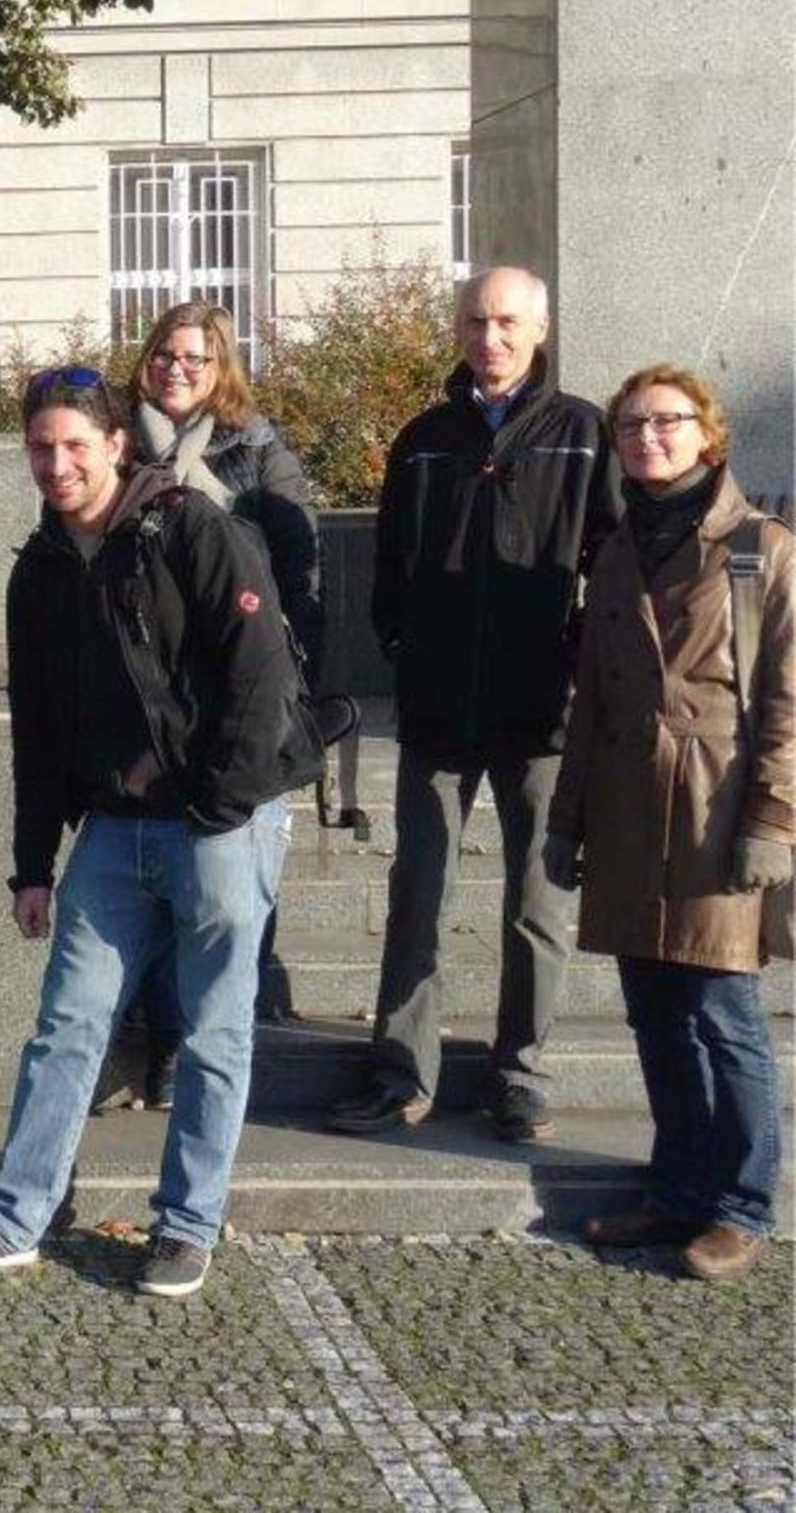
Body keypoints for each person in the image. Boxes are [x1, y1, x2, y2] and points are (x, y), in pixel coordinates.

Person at [0, 369, 306, 1300]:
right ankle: (15, 1217)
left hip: (220, 821)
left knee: (213, 1032)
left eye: (74, 445)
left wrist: (216, 804)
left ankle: (186, 1226)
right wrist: (30, 866)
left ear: (116, 446)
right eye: (40, 447)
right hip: (112, 831)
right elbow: (37, 730)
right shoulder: (39, 569)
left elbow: (260, 675)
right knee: (67, 1024)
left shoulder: (191, 529)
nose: (56, 464)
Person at [330, 267, 621, 1142]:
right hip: (438, 707)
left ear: (539, 330)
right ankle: (401, 1071)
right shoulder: (424, 438)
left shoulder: (584, 433)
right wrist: (404, 643)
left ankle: (519, 1074)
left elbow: (609, 560)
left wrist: (574, 658)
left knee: (538, 902)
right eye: (473, 322)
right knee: (418, 893)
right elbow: (390, 562)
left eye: (505, 323)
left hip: (540, 712)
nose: (488, 339)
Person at [551, 366, 791, 1282]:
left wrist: (774, 819)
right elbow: (591, 702)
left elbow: (788, 701)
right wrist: (568, 820)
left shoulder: (761, 547)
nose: (647, 437)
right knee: (654, 1013)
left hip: (715, 808)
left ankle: (742, 1205)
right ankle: (679, 1188)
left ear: (707, 433)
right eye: (631, 425)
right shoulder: (617, 551)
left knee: (723, 1012)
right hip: (626, 805)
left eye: (667, 421)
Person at [115, 302, 324, 1098]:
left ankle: (212, 1042)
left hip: (235, 683)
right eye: (164, 354)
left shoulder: (256, 448)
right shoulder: (114, 439)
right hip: (141, 686)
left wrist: (291, 680)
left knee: (226, 874)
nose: (175, 369)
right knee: (152, 866)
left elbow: (300, 566)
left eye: (195, 359)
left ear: (221, 368)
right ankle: (159, 1035)